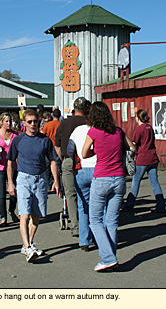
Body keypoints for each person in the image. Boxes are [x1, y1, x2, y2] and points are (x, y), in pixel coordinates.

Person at [82, 101, 136, 272]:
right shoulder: (118, 131)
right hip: (119, 178)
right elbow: (133, 148)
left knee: (95, 221)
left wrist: (96, 152)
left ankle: (108, 257)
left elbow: (83, 153)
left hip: (102, 178)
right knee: (111, 222)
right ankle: (110, 259)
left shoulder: (93, 132)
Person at [7, 109, 61, 262]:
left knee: (36, 216)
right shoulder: (18, 140)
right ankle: (28, 248)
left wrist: (56, 181)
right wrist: (10, 183)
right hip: (24, 179)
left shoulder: (45, 140)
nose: (32, 124)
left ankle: (28, 244)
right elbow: (10, 161)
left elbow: (52, 161)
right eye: (29, 122)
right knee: (24, 215)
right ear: (24, 123)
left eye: (35, 121)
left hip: (41, 179)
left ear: (39, 122)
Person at [54, 97, 91, 237]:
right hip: (86, 160)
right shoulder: (90, 122)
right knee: (87, 194)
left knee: (70, 193)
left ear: (74, 109)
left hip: (68, 160)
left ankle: (75, 226)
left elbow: (57, 144)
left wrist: (62, 158)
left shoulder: (64, 123)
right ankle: (88, 224)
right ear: (86, 108)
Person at [121, 109, 166, 213]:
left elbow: (134, 143)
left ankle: (129, 204)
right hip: (153, 158)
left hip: (142, 159)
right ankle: (161, 205)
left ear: (138, 118)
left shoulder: (139, 129)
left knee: (136, 182)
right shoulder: (150, 128)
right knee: (154, 182)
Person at [67, 103, 97, 252]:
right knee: (99, 207)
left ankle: (84, 240)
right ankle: (99, 237)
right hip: (98, 169)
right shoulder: (100, 131)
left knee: (83, 206)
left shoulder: (77, 131)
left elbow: (69, 149)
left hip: (82, 169)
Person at [0, 112, 19, 226]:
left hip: (13, 167)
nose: (9, 123)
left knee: (14, 192)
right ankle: (3, 217)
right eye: (6, 121)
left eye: (10, 121)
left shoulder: (15, 135)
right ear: (1, 122)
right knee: (1, 193)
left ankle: (12, 210)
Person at [43, 109, 62, 190]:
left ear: (52, 115)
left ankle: (48, 184)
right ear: (60, 116)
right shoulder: (61, 125)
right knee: (58, 167)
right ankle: (57, 183)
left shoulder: (47, 125)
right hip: (58, 148)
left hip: (48, 148)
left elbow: (43, 136)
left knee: (47, 167)